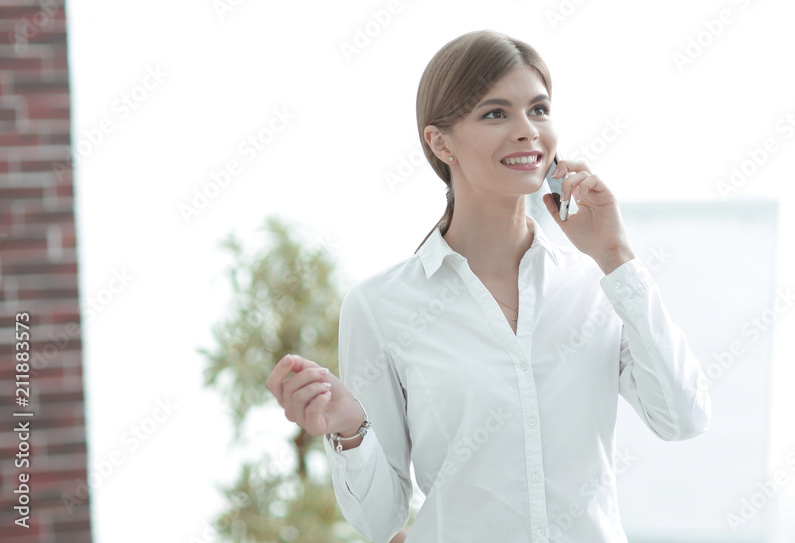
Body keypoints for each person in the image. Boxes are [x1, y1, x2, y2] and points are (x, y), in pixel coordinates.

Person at [266, 29, 711, 543]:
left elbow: (682, 417)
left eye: (539, 110)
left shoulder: (597, 284)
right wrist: (350, 430)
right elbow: (381, 521)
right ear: (440, 142)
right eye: (496, 113)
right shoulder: (380, 306)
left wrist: (616, 256)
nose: (528, 132)